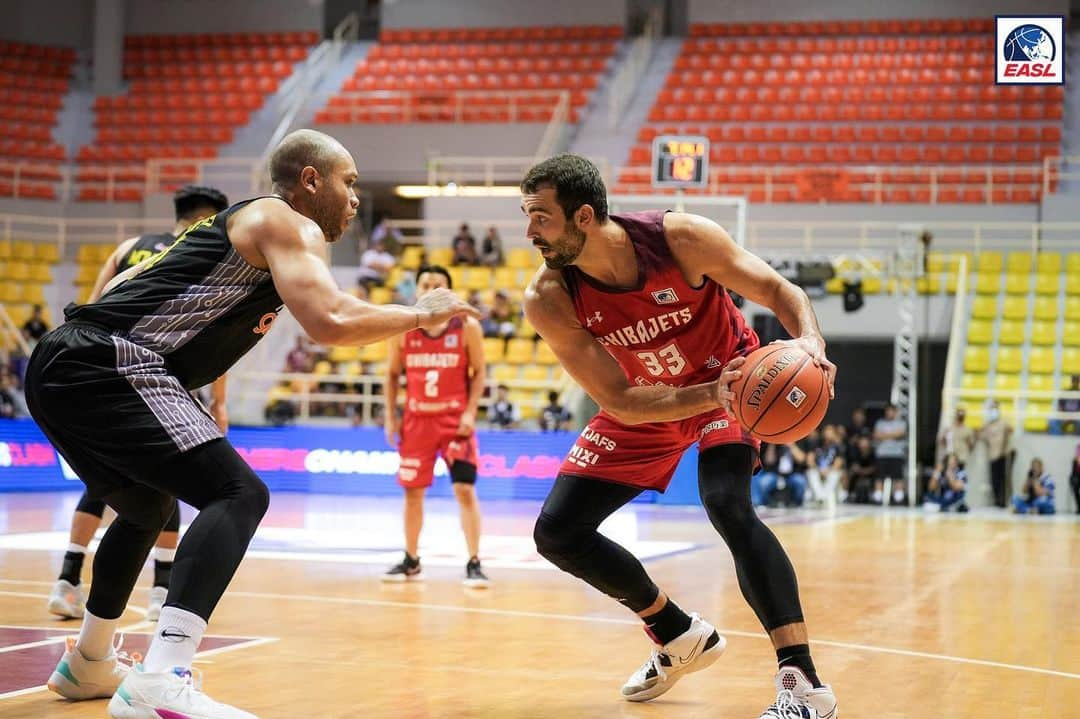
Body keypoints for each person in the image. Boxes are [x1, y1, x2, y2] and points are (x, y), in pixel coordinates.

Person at [26, 129, 477, 718]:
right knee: (239, 492)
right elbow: (332, 320)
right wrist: (421, 313)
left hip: (63, 362)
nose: (355, 199)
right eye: (350, 182)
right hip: (111, 361)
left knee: (145, 506)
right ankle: (161, 678)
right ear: (311, 180)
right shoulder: (287, 220)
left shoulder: (239, 234)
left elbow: (114, 288)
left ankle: (88, 663)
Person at [520, 154, 838, 718]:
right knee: (559, 533)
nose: (530, 232)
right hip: (652, 401)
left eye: (541, 217)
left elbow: (779, 290)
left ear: (584, 216)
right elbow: (617, 399)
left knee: (727, 505)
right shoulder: (549, 297)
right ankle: (677, 633)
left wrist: (809, 343)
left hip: (735, 378)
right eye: (527, 215)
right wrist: (705, 395)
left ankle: (804, 684)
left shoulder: (680, 239)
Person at [47, 185, 231, 623]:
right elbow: (214, 333)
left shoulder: (129, 247)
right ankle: (161, 590)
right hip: (158, 382)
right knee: (167, 486)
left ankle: (67, 580)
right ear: (211, 217)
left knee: (101, 483)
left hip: (102, 375)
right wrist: (219, 404)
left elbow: (93, 310)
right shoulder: (204, 252)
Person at [382, 264, 490, 587]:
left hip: (454, 421)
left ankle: (474, 561)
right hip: (416, 422)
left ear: (449, 293)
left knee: (464, 489)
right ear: (416, 291)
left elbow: (480, 372)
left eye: (437, 285)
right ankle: (411, 560)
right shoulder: (402, 328)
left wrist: (471, 413)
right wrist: (390, 415)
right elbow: (390, 375)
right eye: (424, 284)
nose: (429, 289)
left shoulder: (467, 326)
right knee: (412, 493)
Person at [752, 443, 809, 509]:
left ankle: (797, 504)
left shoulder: (797, 442)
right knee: (764, 482)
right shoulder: (775, 445)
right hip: (776, 474)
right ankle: (766, 503)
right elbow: (769, 461)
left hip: (792, 474)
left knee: (800, 481)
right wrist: (772, 444)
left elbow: (802, 459)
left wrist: (791, 445)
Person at [980, 400, 1013, 508]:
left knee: (1003, 479)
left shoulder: (1003, 423)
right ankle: (996, 501)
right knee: (994, 479)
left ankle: (1003, 501)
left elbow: (1009, 432)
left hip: (1002, 455)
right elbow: (983, 437)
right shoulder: (987, 425)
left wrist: (1003, 451)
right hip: (992, 455)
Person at [872, 403, 907, 505]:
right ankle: (878, 497)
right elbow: (876, 435)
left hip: (896, 454)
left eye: (891, 411)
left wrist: (884, 436)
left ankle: (898, 498)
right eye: (887, 411)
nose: (889, 413)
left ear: (895, 412)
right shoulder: (880, 423)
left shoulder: (901, 423)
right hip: (882, 454)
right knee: (879, 477)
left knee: (898, 477)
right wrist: (892, 435)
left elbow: (900, 433)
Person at [806, 424, 845, 506]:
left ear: (834, 433)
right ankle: (821, 497)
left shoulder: (838, 446)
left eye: (830, 431)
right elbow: (810, 460)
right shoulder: (815, 442)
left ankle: (822, 498)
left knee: (835, 474)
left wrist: (828, 470)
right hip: (817, 469)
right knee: (811, 472)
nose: (828, 433)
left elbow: (838, 462)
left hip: (830, 470)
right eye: (826, 430)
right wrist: (819, 469)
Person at [846, 435, 877, 503]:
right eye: (862, 444)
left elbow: (874, 468)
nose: (863, 446)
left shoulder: (873, 453)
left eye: (865, 444)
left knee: (877, 477)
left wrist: (863, 471)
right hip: (857, 474)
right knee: (850, 475)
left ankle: (875, 496)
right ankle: (850, 494)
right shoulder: (855, 452)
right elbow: (854, 466)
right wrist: (859, 470)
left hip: (870, 474)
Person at [1069, 444, 1080, 514]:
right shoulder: (1075, 461)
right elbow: (1073, 473)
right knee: (1075, 485)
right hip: (1076, 476)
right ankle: (1079, 507)